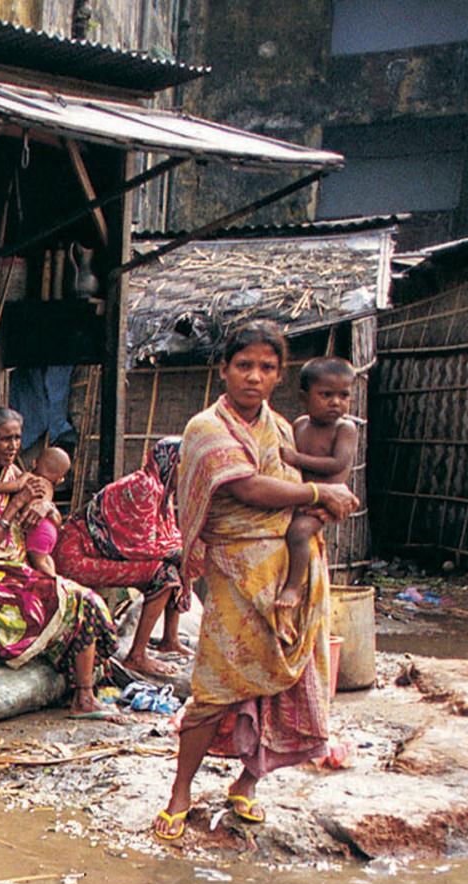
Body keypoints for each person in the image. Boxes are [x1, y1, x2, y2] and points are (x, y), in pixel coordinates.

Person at [154, 321, 360, 842]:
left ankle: (247, 783)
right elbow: (246, 488)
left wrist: (317, 509)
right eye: (244, 365)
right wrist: (319, 497)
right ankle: (180, 792)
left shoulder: (284, 430)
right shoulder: (206, 427)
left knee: (285, 685)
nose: (254, 377)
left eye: (267, 367)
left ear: (280, 375)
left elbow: (309, 480)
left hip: (293, 568)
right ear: (223, 369)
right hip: (235, 571)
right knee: (216, 686)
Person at [0, 406, 115, 718]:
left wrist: (46, 507)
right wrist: (17, 505)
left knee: (85, 599)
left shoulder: (13, 474)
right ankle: (83, 697)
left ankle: (83, 693)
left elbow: (53, 514)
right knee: (82, 601)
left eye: (17, 438)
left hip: (20, 565)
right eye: (5, 439)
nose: (13, 446)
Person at [52, 437, 188, 678]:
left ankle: (169, 640)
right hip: (76, 555)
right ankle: (136, 656)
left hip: (96, 552)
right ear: (169, 462)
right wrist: (181, 553)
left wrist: (183, 554)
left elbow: (169, 539)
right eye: (185, 465)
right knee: (164, 573)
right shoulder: (145, 487)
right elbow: (141, 546)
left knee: (180, 564)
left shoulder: (163, 490)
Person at [275, 356, 359, 610]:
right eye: (326, 395)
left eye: (344, 395)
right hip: (300, 497)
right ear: (304, 397)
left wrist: (297, 458)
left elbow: (337, 463)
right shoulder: (300, 425)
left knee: (298, 533)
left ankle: (293, 587)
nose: (336, 402)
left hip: (323, 503)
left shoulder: (345, 429)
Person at [18, 445, 74, 578]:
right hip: (50, 528)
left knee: (39, 563)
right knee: (45, 558)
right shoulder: (49, 487)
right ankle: (54, 575)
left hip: (37, 528)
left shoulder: (29, 478)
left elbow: (17, 485)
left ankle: (54, 579)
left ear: (34, 463)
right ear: (60, 479)